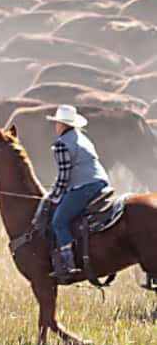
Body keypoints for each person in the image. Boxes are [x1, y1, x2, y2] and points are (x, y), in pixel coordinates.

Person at [35, 105, 110, 281]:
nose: (56, 126)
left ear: (61, 124)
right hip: (100, 182)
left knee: (59, 221)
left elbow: (64, 176)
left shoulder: (62, 144)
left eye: (56, 123)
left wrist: (53, 196)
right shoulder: (82, 138)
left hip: (84, 187)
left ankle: (67, 263)